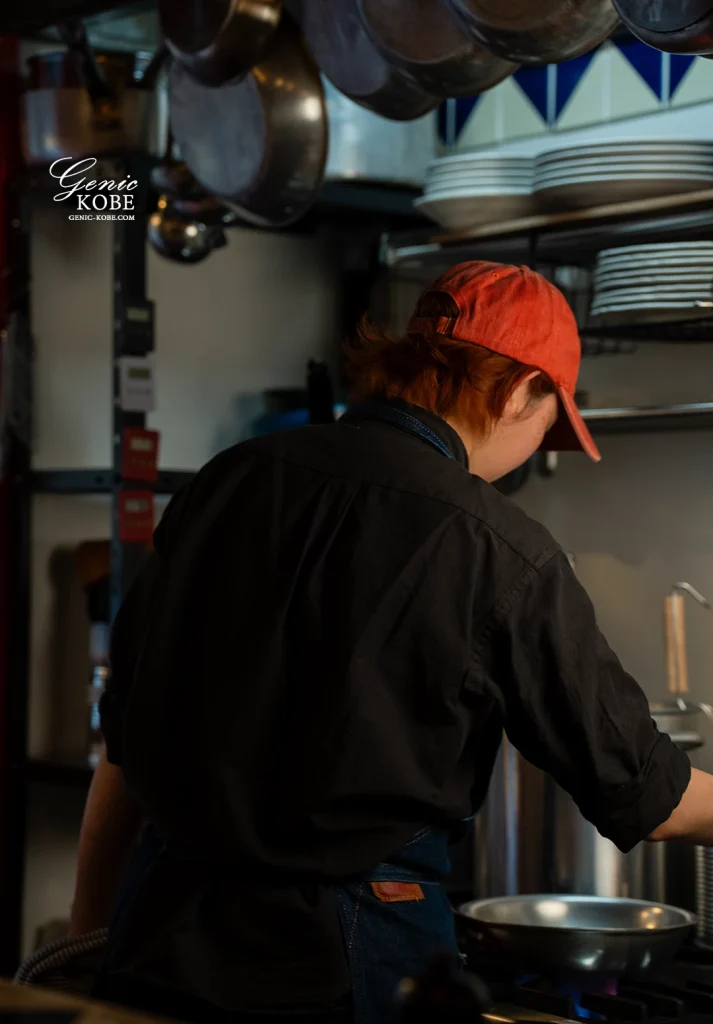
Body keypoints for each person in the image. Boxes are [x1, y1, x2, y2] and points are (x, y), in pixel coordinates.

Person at [71, 261, 713, 1024]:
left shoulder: (227, 480)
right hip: (345, 961)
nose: (538, 444)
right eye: (551, 422)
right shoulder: (498, 546)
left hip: (157, 934)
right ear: (517, 391)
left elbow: (122, 743)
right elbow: (652, 794)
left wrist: (88, 933)